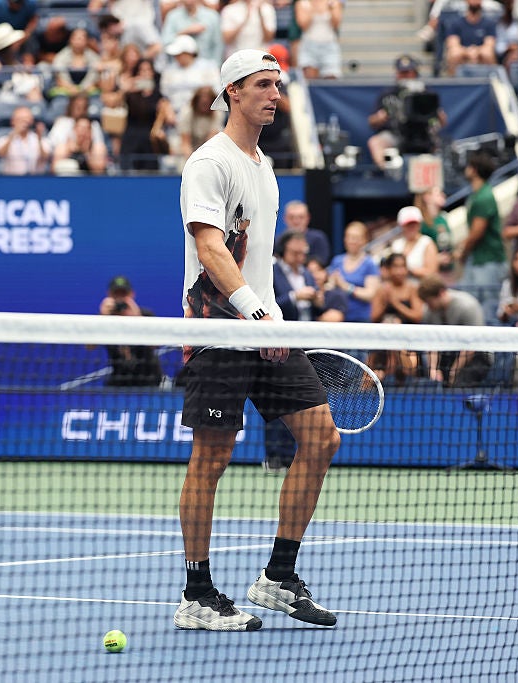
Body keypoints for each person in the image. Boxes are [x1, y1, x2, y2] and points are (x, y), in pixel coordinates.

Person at [174, 48, 339, 631]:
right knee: (212, 458)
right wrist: (255, 313)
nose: (275, 94)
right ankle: (197, 595)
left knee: (321, 437)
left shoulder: (264, 165)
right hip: (220, 329)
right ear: (233, 92)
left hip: (265, 322)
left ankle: (278, 577)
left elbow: (254, 259)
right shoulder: (208, 162)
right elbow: (210, 248)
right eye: (264, 84)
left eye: (278, 85)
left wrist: (270, 316)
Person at [367, 54, 446, 168]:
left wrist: (439, 116)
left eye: (408, 72)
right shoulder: (388, 94)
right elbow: (371, 122)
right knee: (375, 142)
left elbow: (441, 121)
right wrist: (381, 117)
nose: (405, 76)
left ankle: (438, 173)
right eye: (402, 73)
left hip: (424, 134)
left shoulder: (426, 94)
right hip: (395, 134)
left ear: (415, 73)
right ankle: (387, 171)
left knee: (442, 144)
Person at [455, 150, 507, 323]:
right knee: (470, 306)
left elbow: (477, 232)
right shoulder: (477, 195)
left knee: (488, 309)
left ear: (475, 170)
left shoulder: (484, 197)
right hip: (478, 259)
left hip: (488, 261)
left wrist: (462, 252)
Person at [418, 274, 493, 388]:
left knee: (458, 385)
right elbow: (432, 342)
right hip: (449, 353)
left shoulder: (467, 306)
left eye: (429, 301)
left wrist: (454, 371)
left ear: (441, 293)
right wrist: (433, 369)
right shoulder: (429, 311)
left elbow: (472, 344)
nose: (428, 306)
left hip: (477, 354)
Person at [97, 275, 163, 387]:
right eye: (116, 294)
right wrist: (102, 318)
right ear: (109, 295)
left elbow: (155, 345)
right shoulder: (104, 319)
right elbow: (89, 346)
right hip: (118, 380)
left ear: (132, 294)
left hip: (149, 380)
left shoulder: (146, 315)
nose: (120, 298)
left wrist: (137, 318)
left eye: (123, 294)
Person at [368, 252, 424, 383]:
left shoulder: (412, 289)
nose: (399, 271)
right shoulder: (381, 290)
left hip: (409, 342)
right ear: (388, 269)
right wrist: (385, 303)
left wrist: (395, 303)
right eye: (395, 267)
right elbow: (374, 317)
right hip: (382, 344)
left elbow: (417, 316)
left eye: (402, 266)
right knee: (369, 378)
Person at [328, 220, 381, 323]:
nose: (352, 241)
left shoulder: (369, 264)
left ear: (364, 240)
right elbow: (330, 286)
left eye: (356, 238)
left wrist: (346, 287)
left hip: (360, 319)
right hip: (339, 318)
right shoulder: (337, 261)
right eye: (349, 237)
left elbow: (370, 294)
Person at [0, 104, 51, 174]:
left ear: (31, 121)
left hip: (35, 178)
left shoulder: (40, 140)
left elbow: (45, 157)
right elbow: (1, 153)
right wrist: (14, 134)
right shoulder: (4, 139)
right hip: (12, 178)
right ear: (13, 121)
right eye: (20, 119)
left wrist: (39, 138)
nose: (23, 123)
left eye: (26, 120)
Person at [296, 0, 343, 79]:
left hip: (329, 45)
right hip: (309, 46)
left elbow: (336, 25)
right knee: (309, 79)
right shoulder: (302, 3)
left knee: (332, 77)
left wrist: (330, 9)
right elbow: (303, 26)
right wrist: (313, 10)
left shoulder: (334, 2)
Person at [391, 205, 439, 280]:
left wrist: (409, 271)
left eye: (414, 224)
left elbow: (431, 272)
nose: (412, 227)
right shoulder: (396, 245)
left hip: (422, 285)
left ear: (419, 225)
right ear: (401, 226)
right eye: (408, 224)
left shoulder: (427, 242)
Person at [281, 199, 331, 266]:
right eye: (291, 217)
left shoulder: (318, 238)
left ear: (308, 218)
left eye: (301, 217)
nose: (296, 221)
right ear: (285, 218)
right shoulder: (278, 240)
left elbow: (320, 263)